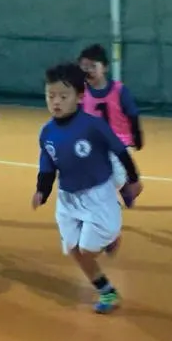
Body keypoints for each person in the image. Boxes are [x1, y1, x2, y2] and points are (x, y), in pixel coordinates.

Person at [32, 63, 143, 314]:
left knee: (87, 249)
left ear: (80, 96)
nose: (56, 102)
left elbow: (119, 150)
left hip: (98, 196)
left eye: (63, 96)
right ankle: (106, 290)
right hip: (67, 198)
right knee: (74, 249)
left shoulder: (93, 126)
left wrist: (133, 178)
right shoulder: (47, 132)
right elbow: (47, 164)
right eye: (51, 96)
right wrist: (42, 190)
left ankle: (111, 234)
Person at [77, 43, 145, 207]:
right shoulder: (81, 92)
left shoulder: (119, 90)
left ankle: (124, 189)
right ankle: (115, 197)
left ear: (105, 68)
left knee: (115, 176)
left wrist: (137, 134)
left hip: (119, 141)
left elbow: (132, 113)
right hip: (95, 142)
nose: (88, 71)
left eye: (93, 66)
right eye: (84, 67)